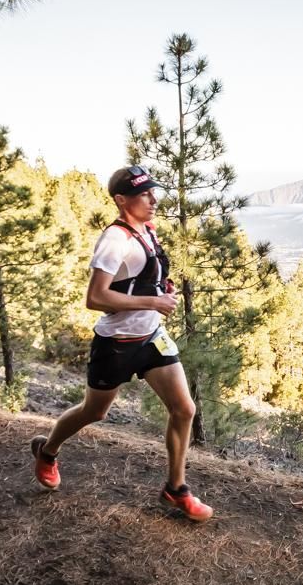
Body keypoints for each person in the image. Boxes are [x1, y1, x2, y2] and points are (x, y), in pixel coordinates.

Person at [29, 164, 212, 522]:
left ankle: (176, 488)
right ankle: (47, 451)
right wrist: (153, 302)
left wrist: (160, 291)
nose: (154, 199)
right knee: (94, 412)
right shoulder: (116, 239)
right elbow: (96, 297)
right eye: (145, 193)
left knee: (184, 409)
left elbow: (138, 279)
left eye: (153, 191)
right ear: (121, 200)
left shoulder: (145, 230)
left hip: (151, 339)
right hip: (116, 344)